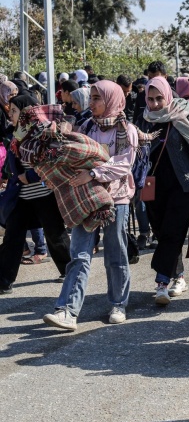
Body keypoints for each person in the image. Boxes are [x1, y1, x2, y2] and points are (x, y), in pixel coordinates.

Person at [42, 80, 140, 329]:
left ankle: (118, 303)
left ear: (112, 100)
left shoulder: (126, 129)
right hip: (86, 198)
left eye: (98, 98)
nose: (93, 102)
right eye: (92, 97)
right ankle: (67, 311)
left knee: (115, 251)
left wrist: (93, 174)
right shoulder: (87, 125)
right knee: (79, 254)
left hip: (116, 199)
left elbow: (123, 164)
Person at [136, 76, 189, 305]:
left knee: (173, 232)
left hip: (184, 186)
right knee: (163, 234)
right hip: (152, 186)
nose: (154, 104)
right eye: (150, 99)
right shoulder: (144, 119)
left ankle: (161, 283)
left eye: (159, 98)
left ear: (169, 95)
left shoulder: (185, 117)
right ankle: (179, 276)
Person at [0, 95, 72, 294]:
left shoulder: (43, 130)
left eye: (14, 110)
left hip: (43, 192)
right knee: (12, 237)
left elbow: (52, 159)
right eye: (10, 110)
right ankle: (4, 280)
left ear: (26, 112)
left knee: (55, 234)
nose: (10, 114)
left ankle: (71, 271)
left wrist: (31, 175)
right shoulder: (15, 133)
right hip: (21, 195)